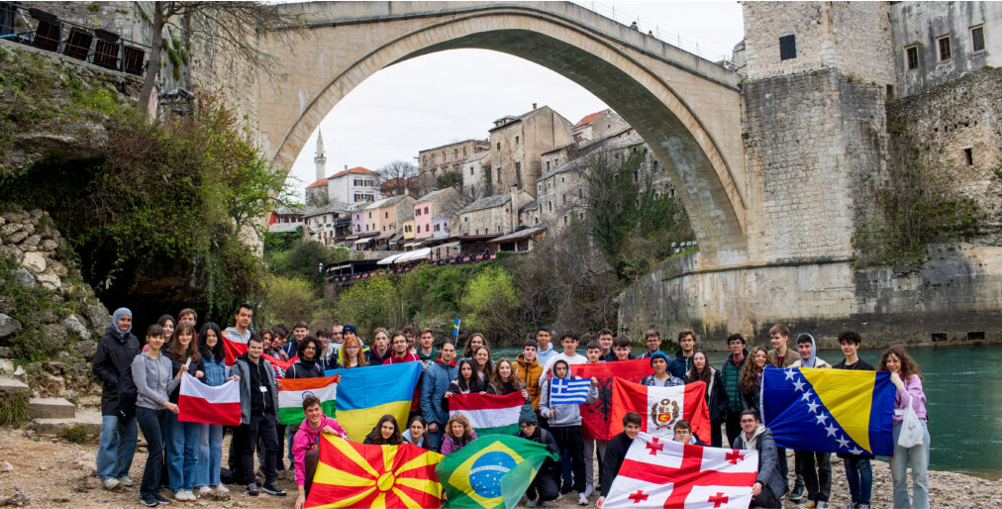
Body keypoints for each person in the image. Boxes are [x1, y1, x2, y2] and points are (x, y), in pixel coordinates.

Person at [92, 307, 140, 491]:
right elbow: (97, 367)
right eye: (123, 320)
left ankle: (121, 472)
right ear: (115, 320)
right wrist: (114, 381)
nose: (126, 323)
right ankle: (107, 474)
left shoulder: (134, 341)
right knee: (110, 431)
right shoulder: (106, 341)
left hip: (129, 396)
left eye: (128, 320)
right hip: (112, 395)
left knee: (130, 434)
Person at [231, 335, 285, 497]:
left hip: (267, 412)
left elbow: (272, 386)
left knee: (272, 445)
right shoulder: (239, 365)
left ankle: (270, 481)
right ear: (248, 348)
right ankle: (250, 482)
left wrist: (275, 409)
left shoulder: (266, 364)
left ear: (263, 349)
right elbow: (234, 389)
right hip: (250, 413)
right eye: (253, 347)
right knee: (248, 448)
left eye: (259, 348)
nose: (256, 350)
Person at [539, 359, 598, 505]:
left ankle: (581, 490)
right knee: (555, 459)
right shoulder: (549, 384)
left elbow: (590, 399)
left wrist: (593, 387)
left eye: (563, 368)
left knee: (579, 459)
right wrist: (548, 413)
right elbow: (542, 406)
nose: (561, 371)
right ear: (554, 370)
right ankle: (554, 489)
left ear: (567, 369)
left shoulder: (575, 381)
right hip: (555, 426)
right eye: (558, 369)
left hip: (574, 425)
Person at [132, 324, 179, 507]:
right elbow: (143, 389)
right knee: (155, 450)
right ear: (148, 339)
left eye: (161, 337)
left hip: (162, 411)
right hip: (146, 409)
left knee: (160, 449)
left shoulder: (166, 362)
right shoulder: (139, 360)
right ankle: (146, 492)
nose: (158, 340)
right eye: (155, 337)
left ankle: (155, 490)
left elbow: (166, 388)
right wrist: (165, 402)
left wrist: (178, 378)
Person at [880, 346, 929, 509]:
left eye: (895, 360)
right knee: (898, 477)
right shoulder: (883, 381)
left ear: (902, 362)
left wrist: (900, 385)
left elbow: (913, 404)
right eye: (888, 361)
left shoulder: (913, 379)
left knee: (920, 475)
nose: (891, 364)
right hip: (894, 428)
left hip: (916, 426)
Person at [833, 329, 875, 509]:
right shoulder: (836, 369)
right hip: (844, 423)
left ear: (857, 345)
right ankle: (855, 498)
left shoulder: (868, 369)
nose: (846, 347)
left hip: (861, 423)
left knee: (863, 464)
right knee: (848, 464)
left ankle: (865, 501)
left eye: (849, 343)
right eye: (843, 344)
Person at [791, 333, 832, 509]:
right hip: (802, 423)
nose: (804, 350)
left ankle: (824, 497)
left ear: (813, 347)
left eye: (807, 346)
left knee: (823, 462)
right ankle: (813, 495)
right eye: (801, 347)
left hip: (821, 422)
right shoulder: (793, 368)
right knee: (805, 462)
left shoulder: (825, 367)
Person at [164, 322, 204, 501]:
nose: (185, 337)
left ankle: (189, 486)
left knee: (192, 449)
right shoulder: (168, 356)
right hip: (175, 407)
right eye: (182, 334)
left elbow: (205, 383)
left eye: (188, 334)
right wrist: (179, 374)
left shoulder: (197, 357)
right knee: (176, 448)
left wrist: (201, 376)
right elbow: (165, 386)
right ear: (176, 336)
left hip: (193, 409)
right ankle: (177, 486)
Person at [292, 395, 348, 509]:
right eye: (310, 411)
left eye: (316, 409)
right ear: (305, 413)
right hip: (313, 476)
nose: (314, 413)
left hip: (333, 470)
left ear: (321, 410)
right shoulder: (300, 436)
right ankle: (311, 493)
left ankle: (338, 489)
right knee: (314, 454)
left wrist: (336, 434)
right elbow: (299, 465)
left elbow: (348, 443)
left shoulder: (332, 423)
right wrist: (301, 494)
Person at [195, 322, 230, 495]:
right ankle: (202, 481)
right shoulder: (198, 356)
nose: (211, 339)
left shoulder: (221, 357)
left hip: (218, 407)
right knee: (203, 444)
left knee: (217, 444)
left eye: (214, 336)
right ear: (203, 337)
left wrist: (230, 381)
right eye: (208, 336)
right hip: (203, 407)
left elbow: (222, 380)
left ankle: (216, 479)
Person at [765, 323, 797, 498]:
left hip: (791, 409)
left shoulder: (795, 358)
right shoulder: (768, 356)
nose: (774, 341)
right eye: (772, 338)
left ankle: (798, 482)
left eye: (777, 337)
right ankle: (782, 483)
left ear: (785, 338)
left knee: (797, 447)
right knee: (777, 449)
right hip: (774, 410)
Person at [733, 410, 785, 509]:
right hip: (747, 478)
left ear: (757, 422)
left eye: (750, 420)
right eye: (744, 421)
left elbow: (768, 462)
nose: (747, 424)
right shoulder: (738, 440)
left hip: (768, 480)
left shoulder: (766, 438)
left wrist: (760, 482)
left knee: (759, 495)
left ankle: (777, 506)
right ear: (740, 424)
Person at [596, 412, 643, 509]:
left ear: (640, 428)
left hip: (638, 482)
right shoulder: (615, 443)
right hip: (619, 483)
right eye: (630, 427)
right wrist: (603, 495)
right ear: (624, 426)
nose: (633, 431)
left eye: (636, 427)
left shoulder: (644, 442)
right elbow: (608, 470)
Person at [515, 405, 560, 506]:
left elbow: (558, 460)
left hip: (544, 470)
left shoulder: (545, 435)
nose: (526, 430)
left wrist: (551, 452)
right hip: (526, 472)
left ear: (535, 424)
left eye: (528, 426)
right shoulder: (518, 437)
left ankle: (543, 496)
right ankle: (531, 497)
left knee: (551, 493)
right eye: (523, 426)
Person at [420, 341, 458, 451]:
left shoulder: (459, 370)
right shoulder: (431, 371)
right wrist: (430, 421)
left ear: (454, 353)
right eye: (446, 350)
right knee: (433, 450)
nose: (448, 353)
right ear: (441, 350)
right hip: (436, 421)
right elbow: (425, 398)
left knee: (454, 451)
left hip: (454, 420)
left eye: (451, 351)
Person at [686, 349, 727, 447]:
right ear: (693, 362)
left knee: (715, 446)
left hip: (712, 419)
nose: (699, 361)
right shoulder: (687, 377)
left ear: (705, 360)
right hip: (696, 419)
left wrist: (718, 412)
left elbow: (724, 397)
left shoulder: (715, 375)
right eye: (696, 359)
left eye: (701, 358)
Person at [722, 333, 749, 446]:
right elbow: (723, 384)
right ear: (728, 347)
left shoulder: (750, 363)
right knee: (733, 442)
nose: (735, 346)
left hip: (746, 410)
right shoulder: (726, 364)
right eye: (732, 343)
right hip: (731, 411)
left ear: (743, 345)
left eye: (738, 343)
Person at [514, 339, 543, 411]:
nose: (530, 352)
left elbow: (541, 393)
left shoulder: (541, 370)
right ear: (523, 351)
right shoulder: (513, 366)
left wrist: (531, 409)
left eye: (532, 350)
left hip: (534, 410)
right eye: (527, 349)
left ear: (536, 352)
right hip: (515, 407)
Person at [740, 347, 768, 415]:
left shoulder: (771, 375)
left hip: (769, 413)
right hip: (754, 414)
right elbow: (743, 400)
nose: (761, 359)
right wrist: (748, 415)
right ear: (752, 358)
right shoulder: (745, 377)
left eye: (764, 357)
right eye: (758, 356)